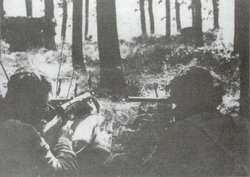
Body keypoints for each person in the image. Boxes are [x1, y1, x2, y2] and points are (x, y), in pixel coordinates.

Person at [146, 67, 249, 176]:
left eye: (177, 102)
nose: (175, 109)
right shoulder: (240, 124)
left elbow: (150, 171)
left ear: (184, 100)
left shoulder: (179, 132)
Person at [0, 71, 78, 177]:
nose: (45, 111)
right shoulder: (24, 131)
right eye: (42, 106)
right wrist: (65, 140)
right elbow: (64, 172)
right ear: (26, 104)